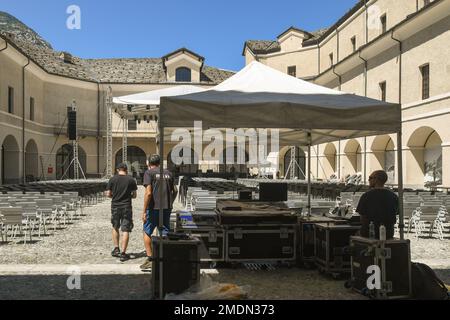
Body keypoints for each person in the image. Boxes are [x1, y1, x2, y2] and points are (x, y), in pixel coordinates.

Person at [140, 154, 177, 270]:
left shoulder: (148, 173)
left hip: (153, 208)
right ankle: (164, 257)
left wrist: (144, 210)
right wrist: (170, 202)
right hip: (166, 208)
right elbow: (175, 190)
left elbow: (148, 193)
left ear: (148, 163)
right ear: (160, 163)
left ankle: (151, 259)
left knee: (147, 231)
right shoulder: (169, 173)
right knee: (164, 231)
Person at [106, 163, 137, 262]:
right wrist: (128, 196)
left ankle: (116, 249)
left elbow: (108, 194)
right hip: (126, 206)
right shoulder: (131, 180)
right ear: (126, 170)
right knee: (126, 229)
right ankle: (123, 253)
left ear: (117, 169)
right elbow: (134, 195)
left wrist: (114, 197)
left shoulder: (112, 179)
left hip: (115, 206)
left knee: (115, 227)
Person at [356, 170, 398, 240]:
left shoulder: (366, 196)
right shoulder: (394, 196)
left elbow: (362, 217)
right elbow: (396, 213)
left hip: (369, 233)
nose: (368, 180)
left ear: (376, 179)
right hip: (388, 233)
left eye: (370, 178)